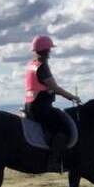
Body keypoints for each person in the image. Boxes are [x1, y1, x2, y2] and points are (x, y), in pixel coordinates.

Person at [24, 35, 80, 172]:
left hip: (30, 105)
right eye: (49, 49)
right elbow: (55, 87)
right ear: (46, 50)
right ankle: (53, 162)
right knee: (62, 130)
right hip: (41, 107)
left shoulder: (32, 64)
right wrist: (72, 97)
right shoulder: (42, 67)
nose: (50, 52)